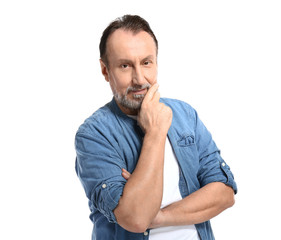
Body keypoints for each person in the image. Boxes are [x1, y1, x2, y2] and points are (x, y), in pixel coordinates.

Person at [75, 14, 237, 240]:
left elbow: (224, 194)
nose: (139, 79)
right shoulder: (94, 134)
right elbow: (136, 218)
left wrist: (157, 215)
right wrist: (155, 132)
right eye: (125, 66)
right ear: (105, 70)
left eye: (146, 62)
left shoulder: (185, 115)